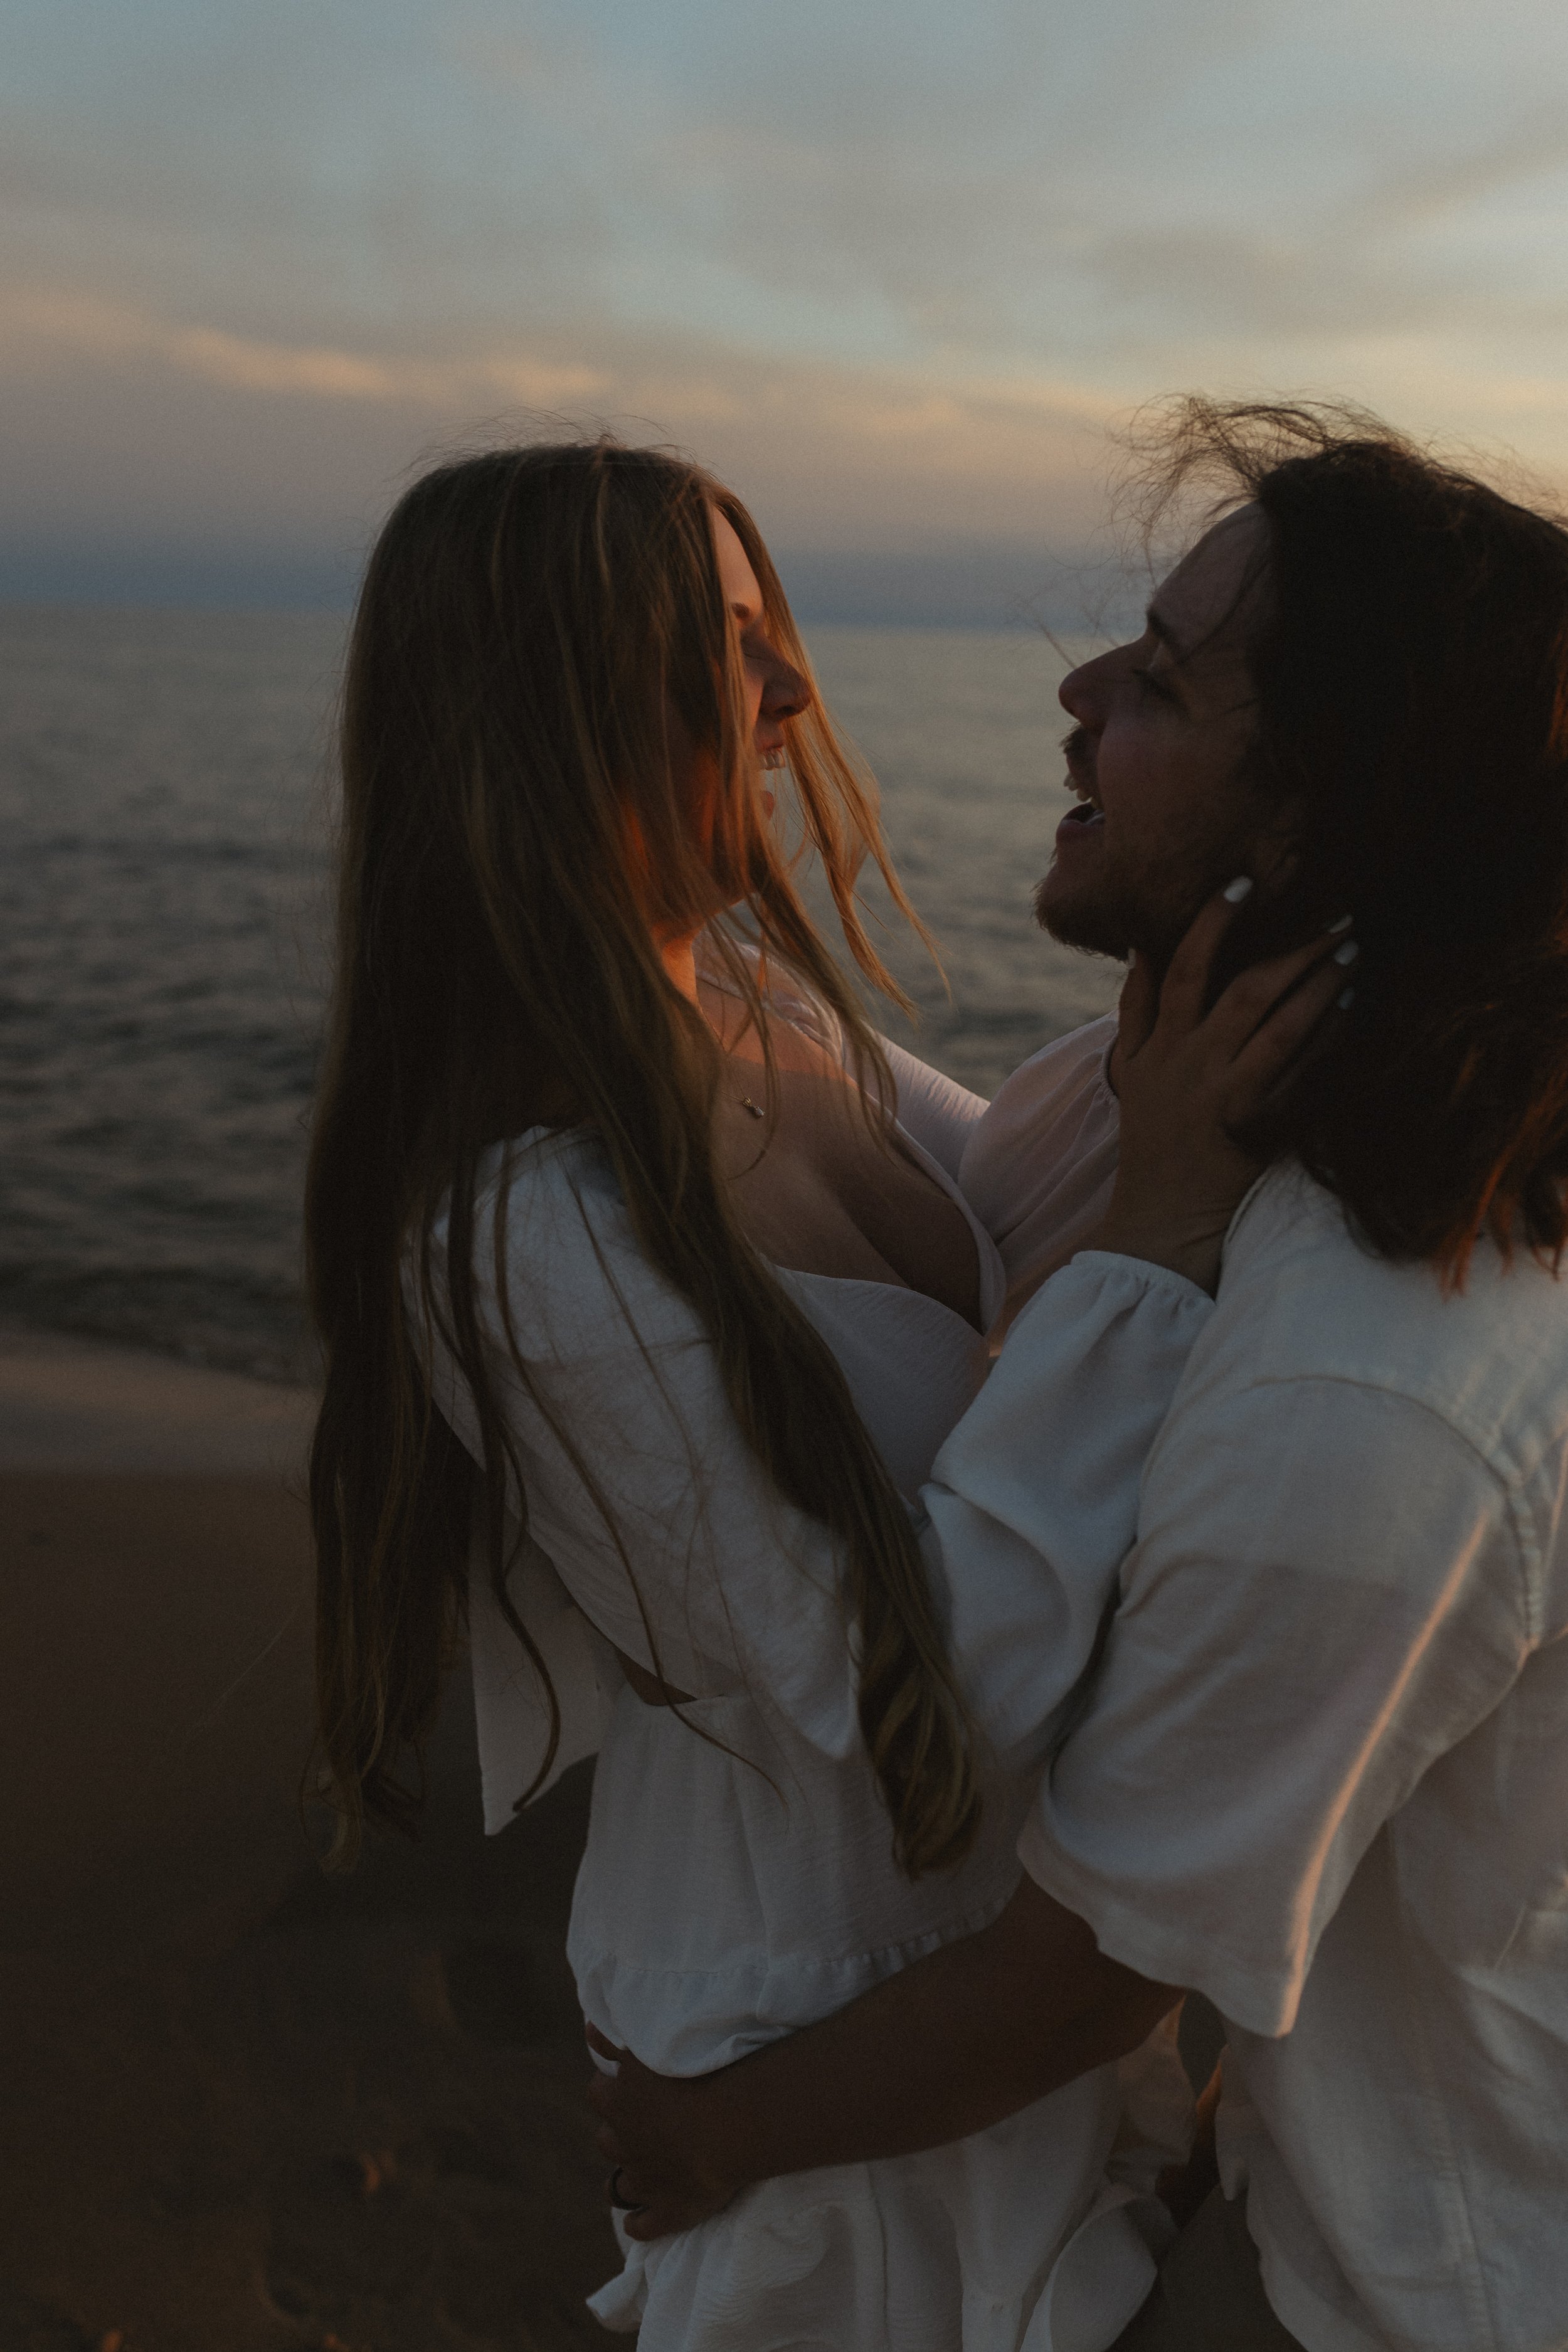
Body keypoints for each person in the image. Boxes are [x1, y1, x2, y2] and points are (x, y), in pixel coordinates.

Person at [302, 435, 1345, 2352]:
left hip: (974, 1990)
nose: (791, 690)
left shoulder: (756, 1012)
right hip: (805, 2045)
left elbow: (1059, 1187)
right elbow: (897, 1704)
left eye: (772, 631)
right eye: (723, 643)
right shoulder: (532, 1226)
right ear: (552, 702)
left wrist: (1266, 945)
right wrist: (1167, 1214)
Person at [590, 403, 1568, 2352]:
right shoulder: (1184, 1113)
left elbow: (1085, 1969)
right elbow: (935, 1177)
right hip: (1286, 2160)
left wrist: (702, 2142)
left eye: (1158, 681)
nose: (1072, 692)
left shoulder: (1366, 1381)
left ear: (1313, 812)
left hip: (1419, 2280)